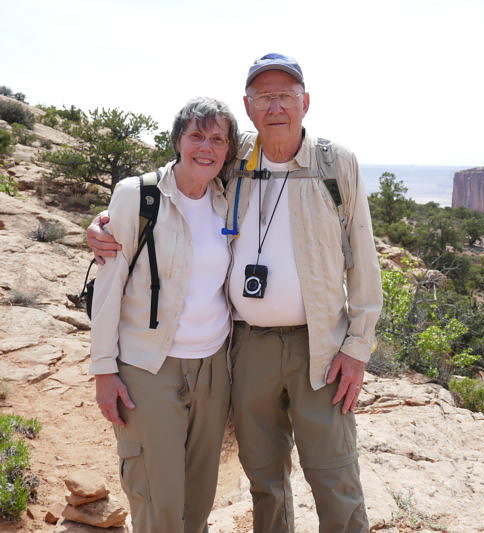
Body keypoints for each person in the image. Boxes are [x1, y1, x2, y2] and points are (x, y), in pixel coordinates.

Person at [88, 53, 382, 532]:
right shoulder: (234, 160)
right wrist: (101, 224)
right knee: (264, 477)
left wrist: (358, 347)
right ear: (248, 106)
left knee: (333, 474)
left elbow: (364, 260)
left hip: (322, 344)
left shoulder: (335, 164)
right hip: (246, 347)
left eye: (286, 95)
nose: (276, 106)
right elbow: (175, 181)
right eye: (264, 96)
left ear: (305, 102)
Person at [89, 97, 239, 532]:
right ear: (177, 140)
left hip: (213, 366)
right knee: (158, 497)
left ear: (228, 149)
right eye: (196, 136)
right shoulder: (138, 195)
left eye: (217, 139)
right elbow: (109, 286)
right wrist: (103, 370)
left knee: (199, 495)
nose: (206, 148)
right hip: (148, 367)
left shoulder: (227, 201)